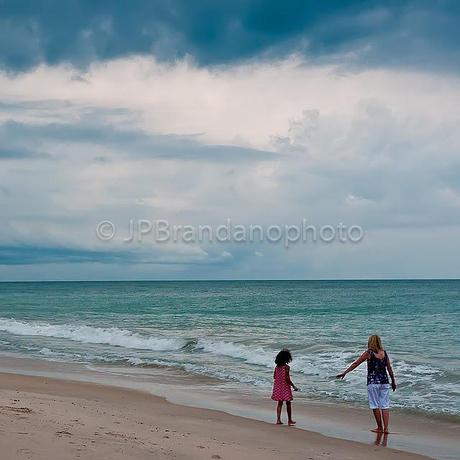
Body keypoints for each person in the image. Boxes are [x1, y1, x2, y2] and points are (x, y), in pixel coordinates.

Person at [336, 334, 397, 433]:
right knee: (385, 405)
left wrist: (345, 372)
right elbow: (389, 368)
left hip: (373, 382)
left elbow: (356, 363)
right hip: (384, 382)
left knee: (375, 405)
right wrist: (393, 382)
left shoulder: (369, 353)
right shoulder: (384, 353)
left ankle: (380, 427)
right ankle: (386, 428)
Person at [271, 348, 298, 425]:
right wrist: (293, 386)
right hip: (285, 387)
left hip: (278, 386)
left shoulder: (277, 367)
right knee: (288, 403)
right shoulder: (286, 367)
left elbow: (274, 376)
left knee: (280, 403)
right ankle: (289, 420)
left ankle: (278, 420)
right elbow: (287, 378)